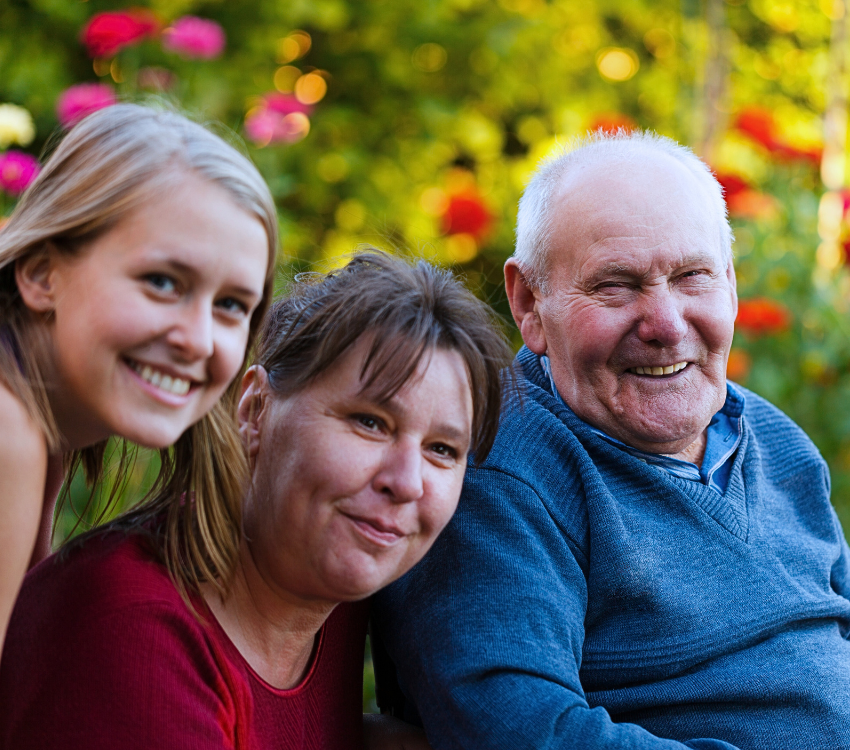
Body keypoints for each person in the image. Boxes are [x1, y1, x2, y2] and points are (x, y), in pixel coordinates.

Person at [374, 131, 850, 749]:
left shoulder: (771, 437)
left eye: (692, 276)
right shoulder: (498, 469)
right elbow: (521, 732)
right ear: (529, 303)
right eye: (615, 285)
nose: (666, 324)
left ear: (730, 283)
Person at [0, 251, 513, 749]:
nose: (406, 482)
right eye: (369, 422)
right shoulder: (135, 635)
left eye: (442, 450)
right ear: (255, 408)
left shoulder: (328, 582)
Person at [0, 103, 278, 658]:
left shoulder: (40, 425)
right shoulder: (8, 431)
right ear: (40, 273)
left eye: (230, 304)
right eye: (162, 282)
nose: (197, 339)